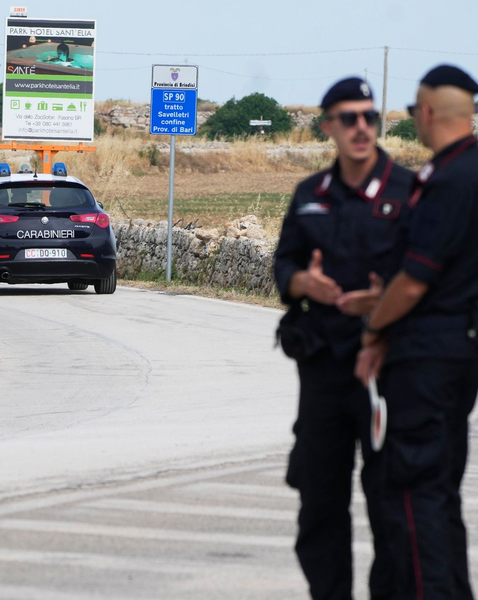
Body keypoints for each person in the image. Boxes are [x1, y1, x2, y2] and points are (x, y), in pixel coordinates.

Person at [274, 77, 415, 599]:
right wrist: (303, 283)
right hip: (325, 369)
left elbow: (430, 274)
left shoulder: (408, 191)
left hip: (389, 370)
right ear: (328, 125)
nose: (362, 127)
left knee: (392, 510)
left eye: (369, 117)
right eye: (349, 118)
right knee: (319, 506)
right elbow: (283, 266)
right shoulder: (310, 196)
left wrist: (384, 303)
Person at [356, 64, 478, 599]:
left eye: (412, 111)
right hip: (460, 352)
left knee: (417, 495)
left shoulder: (448, 179)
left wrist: (373, 328)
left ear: (427, 114)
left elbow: (415, 281)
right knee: (441, 494)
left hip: (427, 359)